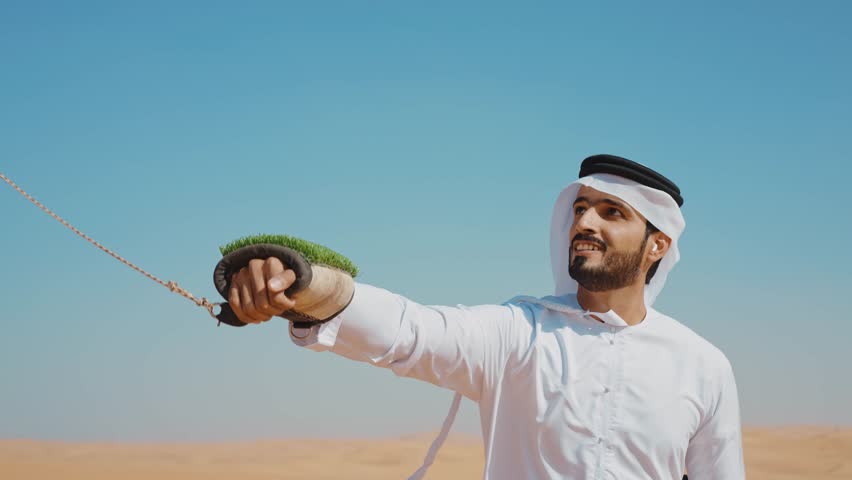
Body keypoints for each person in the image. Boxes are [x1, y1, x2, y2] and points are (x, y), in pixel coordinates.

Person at [227, 154, 745, 479]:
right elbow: (411, 333)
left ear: (658, 244)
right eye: (581, 207)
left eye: (612, 212)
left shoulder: (702, 366)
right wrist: (313, 290)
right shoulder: (519, 333)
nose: (584, 221)